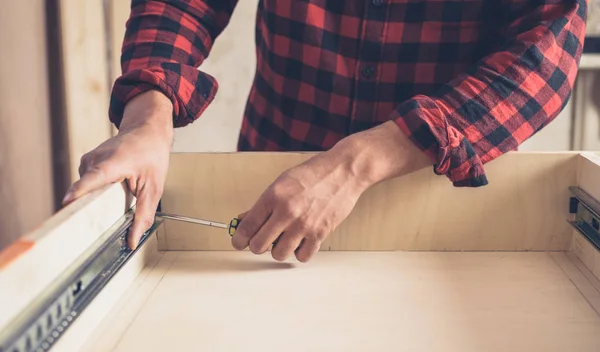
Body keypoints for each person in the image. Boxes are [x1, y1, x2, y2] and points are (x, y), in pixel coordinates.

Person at [62, 0, 587, 263]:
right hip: (275, 177)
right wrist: (147, 116)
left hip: (438, 203)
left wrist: (359, 162)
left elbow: (546, 53)